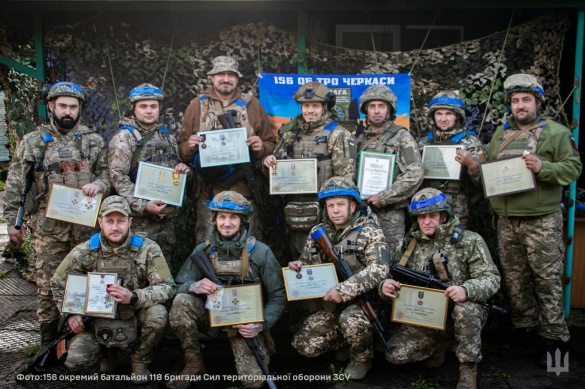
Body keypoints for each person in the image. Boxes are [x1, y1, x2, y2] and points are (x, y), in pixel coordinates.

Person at [471, 73, 582, 365]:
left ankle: (555, 339)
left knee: (546, 282)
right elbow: (496, 172)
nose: (521, 105)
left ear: (537, 102)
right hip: (508, 222)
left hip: (541, 220)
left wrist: (543, 166)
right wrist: (495, 208)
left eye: (526, 100)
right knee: (515, 281)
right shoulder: (500, 133)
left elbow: (573, 168)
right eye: (516, 100)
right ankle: (524, 331)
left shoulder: (556, 133)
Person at [2, 81, 110, 349]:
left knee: (89, 283)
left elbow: (107, 174)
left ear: (80, 110)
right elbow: (16, 183)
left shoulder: (93, 141)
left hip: (86, 231)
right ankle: (48, 345)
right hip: (49, 230)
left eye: (73, 107)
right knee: (48, 287)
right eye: (62, 105)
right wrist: (10, 223)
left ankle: (89, 342)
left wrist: (99, 185)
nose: (67, 111)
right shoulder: (34, 141)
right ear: (51, 106)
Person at [380, 188, 500, 389]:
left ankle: (468, 368)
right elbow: (390, 275)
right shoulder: (409, 244)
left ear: (444, 215)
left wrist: (466, 289)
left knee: (466, 309)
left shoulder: (468, 240)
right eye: (421, 217)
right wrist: (384, 286)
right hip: (425, 314)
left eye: (432, 216)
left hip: (459, 311)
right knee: (395, 354)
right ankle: (439, 344)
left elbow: (492, 278)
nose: (426, 221)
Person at [51, 196, 176, 383]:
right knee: (76, 362)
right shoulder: (84, 252)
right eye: (109, 221)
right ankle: (106, 356)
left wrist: (134, 297)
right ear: (100, 222)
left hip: (133, 316)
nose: (115, 227)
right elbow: (57, 283)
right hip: (95, 322)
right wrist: (70, 313)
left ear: (130, 222)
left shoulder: (148, 249)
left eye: (121, 221)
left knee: (158, 314)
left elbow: (168, 287)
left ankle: (139, 360)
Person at [167, 190, 285, 389]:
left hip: (244, 323)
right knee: (181, 303)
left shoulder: (260, 252)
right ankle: (194, 361)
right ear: (214, 219)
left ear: (243, 221)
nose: (227, 223)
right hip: (211, 315)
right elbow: (178, 286)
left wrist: (260, 324)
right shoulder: (202, 251)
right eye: (222, 217)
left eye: (233, 218)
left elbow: (278, 296)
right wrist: (195, 286)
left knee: (253, 382)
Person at [290, 177, 389, 380]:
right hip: (331, 306)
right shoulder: (317, 232)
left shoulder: (370, 231)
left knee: (351, 320)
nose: (335, 210)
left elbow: (380, 269)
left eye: (341, 204)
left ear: (353, 206)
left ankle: (361, 357)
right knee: (304, 345)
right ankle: (346, 341)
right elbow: (307, 262)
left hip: (365, 303)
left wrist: (343, 291)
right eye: (331, 205)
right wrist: (299, 267)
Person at [178, 55, 275, 242]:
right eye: (220, 74)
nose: (226, 78)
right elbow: (182, 151)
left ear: (237, 78)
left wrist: (261, 147)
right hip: (209, 195)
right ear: (212, 77)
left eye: (231, 74)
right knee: (208, 249)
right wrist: (190, 146)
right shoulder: (197, 105)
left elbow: (270, 144)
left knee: (249, 250)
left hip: (245, 193)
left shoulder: (252, 105)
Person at [263, 81, 357, 258]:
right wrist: (268, 163)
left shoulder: (338, 135)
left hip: (325, 213)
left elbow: (345, 181)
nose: (310, 110)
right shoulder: (290, 133)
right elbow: (272, 173)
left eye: (315, 105)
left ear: (325, 107)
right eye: (306, 106)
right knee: (296, 258)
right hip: (293, 211)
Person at [108, 83, 191, 270]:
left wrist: (184, 171)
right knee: (136, 272)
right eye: (143, 106)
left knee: (163, 273)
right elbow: (117, 177)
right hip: (139, 222)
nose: (148, 111)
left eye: (153, 106)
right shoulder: (125, 138)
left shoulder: (167, 137)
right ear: (134, 108)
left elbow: (176, 175)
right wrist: (143, 205)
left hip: (166, 223)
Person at [356, 84, 423, 256]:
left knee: (389, 259)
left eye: (381, 106)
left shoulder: (402, 137)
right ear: (366, 110)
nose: (376, 111)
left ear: (389, 110)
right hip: (361, 212)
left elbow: (414, 174)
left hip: (390, 214)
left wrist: (385, 197)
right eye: (372, 106)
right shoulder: (359, 140)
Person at [418, 91, 485, 227]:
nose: (443, 119)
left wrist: (472, 165)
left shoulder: (471, 143)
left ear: (457, 116)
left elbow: (485, 183)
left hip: (457, 209)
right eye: (439, 114)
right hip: (426, 208)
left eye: (448, 114)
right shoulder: (423, 143)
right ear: (433, 116)